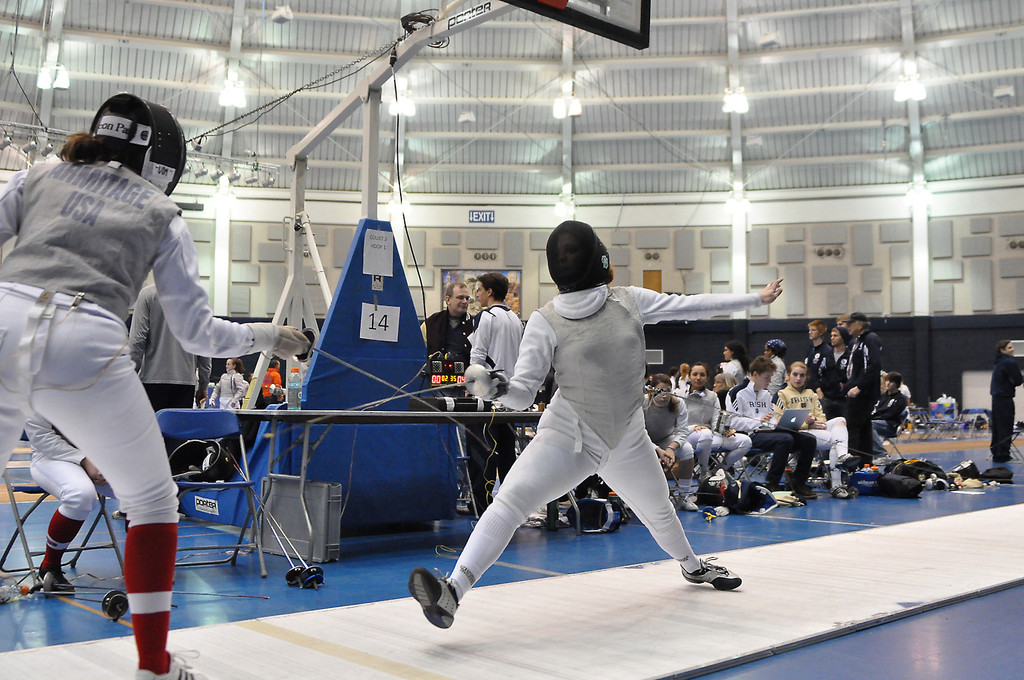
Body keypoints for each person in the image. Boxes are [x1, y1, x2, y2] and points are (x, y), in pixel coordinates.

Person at [0, 93, 309, 680]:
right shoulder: (160, 213)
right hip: (85, 340)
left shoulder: (40, 173)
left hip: (3, 317)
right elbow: (196, 333)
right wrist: (270, 334)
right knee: (152, 502)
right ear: (163, 162)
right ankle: (154, 667)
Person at [407, 220, 783, 629]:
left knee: (658, 512)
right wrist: (495, 388)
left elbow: (686, 304)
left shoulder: (627, 301)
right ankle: (452, 593)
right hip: (568, 433)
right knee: (510, 503)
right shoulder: (545, 320)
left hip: (626, 438)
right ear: (599, 259)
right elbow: (521, 394)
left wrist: (755, 299)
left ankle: (692, 567)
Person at [25, 414, 116, 592]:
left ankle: (142, 565)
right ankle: (49, 567)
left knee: (145, 492)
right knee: (81, 495)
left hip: (99, 454)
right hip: (51, 456)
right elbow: (41, 435)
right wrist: (83, 460)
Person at [466, 272, 524, 514]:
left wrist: (471, 388)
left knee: (484, 453)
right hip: (509, 396)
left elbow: (478, 355)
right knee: (507, 453)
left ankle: (482, 505)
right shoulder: (515, 319)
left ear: (490, 292)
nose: (476, 294)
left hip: (488, 396)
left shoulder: (486, 317)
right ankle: (509, 505)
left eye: (479, 289)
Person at [726, 356, 818, 498]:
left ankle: (799, 482)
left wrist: (776, 423)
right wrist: (758, 421)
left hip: (769, 433)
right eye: (767, 377)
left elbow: (772, 417)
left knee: (809, 439)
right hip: (747, 436)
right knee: (785, 439)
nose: (770, 381)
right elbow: (732, 422)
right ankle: (772, 483)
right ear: (755, 374)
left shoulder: (766, 394)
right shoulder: (736, 392)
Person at [129, 284, 211, 411]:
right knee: (178, 429)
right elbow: (204, 346)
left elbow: (137, 341)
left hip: (153, 379)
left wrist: (130, 377)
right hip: (185, 382)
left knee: (154, 430)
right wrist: (203, 385)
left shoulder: (148, 294)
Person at [774, 362, 850, 492]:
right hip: (797, 433)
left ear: (806, 377)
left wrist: (814, 420)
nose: (798, 379)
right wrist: (806, 423)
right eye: (795, 375)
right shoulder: (781, 394)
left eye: (802, 375)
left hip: (815, 429)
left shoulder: (811, 394)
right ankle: (836, 485)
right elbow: (780, 422)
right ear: (788, 376)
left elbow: (822, 418)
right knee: (835, 442)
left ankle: (843, 455)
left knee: (840, 420)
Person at [683, 362, 752, 477]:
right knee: (705, 434)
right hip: (689, 436)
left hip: (711, 436)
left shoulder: (712, 396)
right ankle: (704, 472)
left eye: (702, 375)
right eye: (695, 374)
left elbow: (716, 421)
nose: (698, 378)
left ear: (707, 378)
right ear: (689, 377)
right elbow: (677, 425)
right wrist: (694, 428)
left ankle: (719, 470)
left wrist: (724, 430)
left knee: (746, 441)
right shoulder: (681, 396)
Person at [643, 373, 696, 509]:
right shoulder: (642, 403)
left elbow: (682, 431)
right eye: (660, 391)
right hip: (643, 442)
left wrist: (671, 448)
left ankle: (683, 496)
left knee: (687, 449)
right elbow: (638, 433)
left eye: (668, 391)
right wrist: (658, 450)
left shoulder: (678, 403)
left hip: (666, 440)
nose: (665, 396)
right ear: (651, 391)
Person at [842, 312, 883, 464]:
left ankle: (854, 463)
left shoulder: (870, 339)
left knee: (853, 429)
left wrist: (860, 386)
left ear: (859, 324)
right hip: (857, 391)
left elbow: (874, 365)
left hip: (863, 394)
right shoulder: (857, 342)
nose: (847, 327)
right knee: (864, 429)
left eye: (850, 323)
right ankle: (865, 463)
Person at [421, 281, 474, 375]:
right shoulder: (431, 323)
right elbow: (419, 350)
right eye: (460, 297)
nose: (465, 302)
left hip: (467, 381)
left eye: (467, 298)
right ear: (448, 299)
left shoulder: (475, 324)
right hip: (437, 381)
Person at [990, 340, 1022, 463]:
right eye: (1009, 347)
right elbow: (1018, 380)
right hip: (1005, 399)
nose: (1013, 349)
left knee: (997, 427)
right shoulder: (1009, 362)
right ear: (1002, 350)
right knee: (1005, 427)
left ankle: (996, 452)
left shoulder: (998, 362)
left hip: (996, 399)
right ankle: (1003, 454)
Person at [871, 371, 909, 461]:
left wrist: (877, 417)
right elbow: (876, 410)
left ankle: (882, 454)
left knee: (869, 425)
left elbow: (892, 415)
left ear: (897, 384)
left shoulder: (901, 399)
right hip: (878, 422)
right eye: (887, 381)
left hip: (890, 425)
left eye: (890, 381)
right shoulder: (883, 397)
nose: (887, 383)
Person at [819, 326, 852, 420]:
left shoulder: (850, 356)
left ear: (843, 338)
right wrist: (819, 389)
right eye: (831, 335)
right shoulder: (826, 355)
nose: (832, 338)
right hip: (827, 399)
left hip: (844, 400)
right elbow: (818, 373)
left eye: (835, 336)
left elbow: (853, 376)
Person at [804, 320, 830, 394]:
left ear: (821, 332)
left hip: (820, 390)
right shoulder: (810, 350)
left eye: (813, 330)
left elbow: (828, 373)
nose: (810, 332)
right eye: (809, 330)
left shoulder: (826, 351)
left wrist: (819, 388)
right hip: (808, 389)